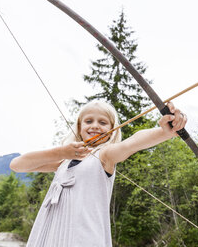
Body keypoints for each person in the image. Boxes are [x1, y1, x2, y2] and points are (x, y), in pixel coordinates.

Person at [10, 100, 187, 247]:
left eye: (103, 123)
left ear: (112, 128)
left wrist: (164, 131)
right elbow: (17, 165)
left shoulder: (105, 155)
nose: (95, 126)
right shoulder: (63, 161)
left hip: (84, 239)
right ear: (79, 127)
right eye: (89, 121)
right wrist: (61, 153)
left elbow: (132, 143)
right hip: (52, 236)